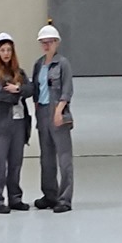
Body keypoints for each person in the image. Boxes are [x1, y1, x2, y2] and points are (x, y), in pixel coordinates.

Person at [0, 33, 31, 213]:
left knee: (16, 162)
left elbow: (30, 89)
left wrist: (17, 88)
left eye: (9, 50)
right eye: (3, 50)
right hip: (1, 125)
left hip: (19, 124)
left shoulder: (19, 72)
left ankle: (15, 198)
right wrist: (17, 94)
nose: (6, 53)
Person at [32, 23, 75, 213]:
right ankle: (50, 195)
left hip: (57, 111)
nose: (46, 45)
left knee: (64, 158)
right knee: (46, 158)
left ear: (57, 43)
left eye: (49, 42)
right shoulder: (38, 64)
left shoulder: (63, 64)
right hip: (42, 112)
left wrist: (59, 110)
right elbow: (36, 89)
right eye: (43, 42)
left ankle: (64, 199)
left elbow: (67, 89)